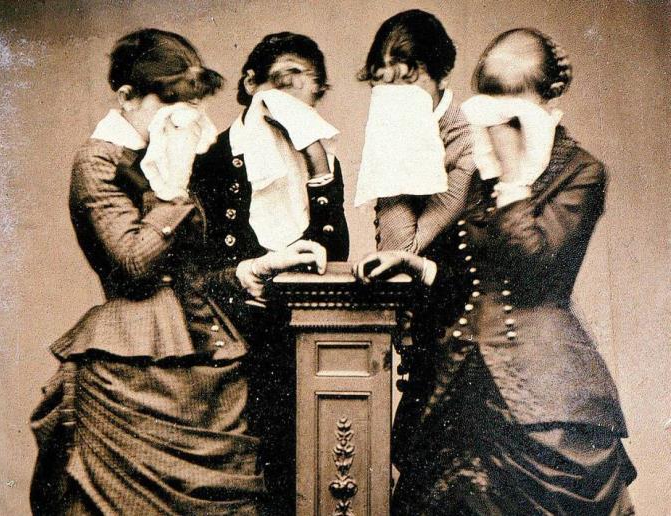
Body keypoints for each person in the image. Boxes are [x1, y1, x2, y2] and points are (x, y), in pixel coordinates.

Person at [29, 28, 327, 515]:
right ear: (127, 97)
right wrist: (171, 192)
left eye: (188, 104)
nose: (181, 118)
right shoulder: (98, 159)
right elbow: (134, 265)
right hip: (131, 374)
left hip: (205, 362)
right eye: (167, 102)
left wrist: (253, 267)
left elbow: (190, 277)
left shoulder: (166, 157)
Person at [354, 28, 635, 515]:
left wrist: (514, 179)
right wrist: (418, 265)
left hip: (542, 390)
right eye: (491, 101)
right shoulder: (483, 171)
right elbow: (473, 274)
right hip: (460, 378)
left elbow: (535, 269)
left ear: (548, 97)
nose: (498, 122)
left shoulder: (581, 172)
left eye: (513, 103)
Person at [192, 32, 349, 514]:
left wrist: (316, 157)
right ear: (250, 84)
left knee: (300, 470)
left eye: (307, 86)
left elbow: (333, 253)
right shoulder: (211, 157)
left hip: (298, 339)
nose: (293, 96)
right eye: (283, 80)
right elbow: (195, 267)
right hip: (230, 338)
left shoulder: (320, 162)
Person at [355, 9, 474, 255]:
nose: (394, 100)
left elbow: (401, 250)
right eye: (384, 87)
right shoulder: (391, 133)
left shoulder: (468, 144)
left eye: (407, 84)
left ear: (443, 76)